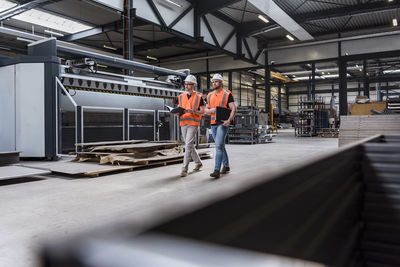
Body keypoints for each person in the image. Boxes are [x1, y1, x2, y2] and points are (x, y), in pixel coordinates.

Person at [205, 73, 237, 178]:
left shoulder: (227, 94)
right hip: (213, 123)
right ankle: (226, 166)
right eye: (213, 82)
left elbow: (233, 109)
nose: (214, 83)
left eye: (216, 81)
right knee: (221, 145)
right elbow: (206, 109)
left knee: (218, 146)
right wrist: (210, 110)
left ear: (221, 82)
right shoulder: (209, 95)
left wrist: (229, 120)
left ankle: (216, 170)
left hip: (223, 123)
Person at [175, 74, 205, 177]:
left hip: (193, 123)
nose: (186, 86)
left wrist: (193, 111)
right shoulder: (181, 96)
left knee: (187, 145)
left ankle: (184, 168)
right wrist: (177, 112)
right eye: (185, 84)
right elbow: (180, 108)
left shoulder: (199, 97)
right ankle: (198, 163)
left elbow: (202, 112)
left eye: (188, 84)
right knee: (190, 145)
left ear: (193, 85)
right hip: (183, 123)